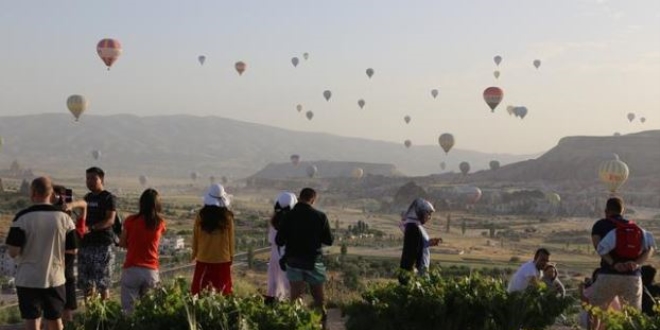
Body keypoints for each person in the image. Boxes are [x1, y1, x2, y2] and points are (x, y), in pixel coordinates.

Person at [5, 177, 78, 330]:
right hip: (55, 278)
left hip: (28, 279)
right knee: (55, 320)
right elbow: (72, 249)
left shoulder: (22, 218)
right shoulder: (65, 219)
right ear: (51, 194)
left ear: (33, 193)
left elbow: (13, 252)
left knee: (31, 320)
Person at [276, 187, 333, 329]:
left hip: (293, 260)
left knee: (295, 295)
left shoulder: (288, 216)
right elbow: (329, 240)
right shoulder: (320, 216)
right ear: (313, 200)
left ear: (300, 198)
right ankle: (322, 322)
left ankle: (295, 323)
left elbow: (279, 241)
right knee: (318, 296)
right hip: (313, 261)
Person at [590, 197, 653, 315]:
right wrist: (637, 263)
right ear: (623, 211)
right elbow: (650, 249)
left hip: (608, 274)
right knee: (633, 316)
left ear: (606, 211)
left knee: (596, 314)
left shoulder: (600, 225)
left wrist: (613, 263)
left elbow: (599, 247)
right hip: (632, 276)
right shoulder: (634, 227)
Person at [119, 188, 166, 314]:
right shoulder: (160, 224)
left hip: (132, 268)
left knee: (128, 311)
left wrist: (133, 245)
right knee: (150, 311)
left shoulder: (130, 221)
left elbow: (122, 243)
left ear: (141, 203)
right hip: (151, 271)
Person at [76, 167, 118, 300]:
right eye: (87, 178)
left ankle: (103, 315)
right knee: (87, 284)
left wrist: (92, 228)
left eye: (93, 178)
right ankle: (90, 314)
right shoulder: (86, 198)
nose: (89, 181)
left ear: (102, 179)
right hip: (86, 245)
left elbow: (110, 220)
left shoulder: (108, 198)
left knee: (102, 283)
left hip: (102, 245)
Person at [191, 183, 234, 295]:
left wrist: (194, 253)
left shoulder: (201, 215)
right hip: (222, 260)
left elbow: (195, 236)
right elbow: (231, 239)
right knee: (223, 293)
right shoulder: (227, 217)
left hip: (203, 258)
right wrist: (231, 256)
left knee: (199, 292)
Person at [51, 185, 85, 323]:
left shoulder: (74, 228)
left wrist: (71, 204)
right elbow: (84, 206)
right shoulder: (74, 227)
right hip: (64, 277)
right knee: (63, 314)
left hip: (58, 276)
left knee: (55, 315)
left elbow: (84, 205)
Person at [398, 198, 441, 284]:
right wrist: (412, 271)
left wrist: (429, 243)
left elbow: (418, 244)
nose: (429, 217)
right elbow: (411, 250)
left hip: (421, 269)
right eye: (428, 214)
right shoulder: (413, 227)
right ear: (420, 212)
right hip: (417, 272)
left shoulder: (417, 226)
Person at [265, 192, 297, 304]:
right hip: (287, 255)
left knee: (274, 281)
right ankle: (289, 304)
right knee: (287, 282)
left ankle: (271, 303)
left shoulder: (274, 221)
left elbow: (271, 239)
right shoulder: (293, 222)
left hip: (275, 255)